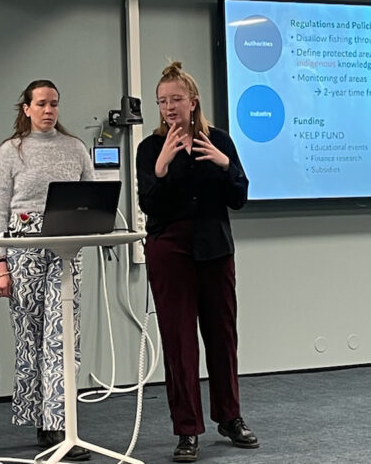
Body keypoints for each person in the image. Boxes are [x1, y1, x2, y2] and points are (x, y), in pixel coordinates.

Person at [135, 61, 258, 462]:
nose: (169, 107)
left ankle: (230, 416)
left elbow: (239, 195)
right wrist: (161, 168)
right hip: (170, 249)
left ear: (193, 101)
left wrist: (224, 165)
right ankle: (187, 430)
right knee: (180, 342)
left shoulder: (219, 139)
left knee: (222, 336)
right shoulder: (149, 147)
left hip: (214, 248)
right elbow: (149, 204)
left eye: (176, 100)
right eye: (162, 101)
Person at [0, 80, 95, 461]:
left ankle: (60, 423)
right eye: (41, 104)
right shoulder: (11, 151)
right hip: (24, 246)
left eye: (54, 104)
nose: (49, 110)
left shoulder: (75, 148)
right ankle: (38, 417)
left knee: (62, 333)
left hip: (66, 244)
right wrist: (0, 263)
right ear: (27, 109)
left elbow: (92, 196)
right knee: (31, 333)